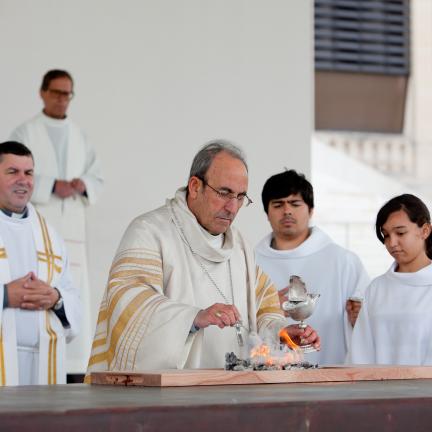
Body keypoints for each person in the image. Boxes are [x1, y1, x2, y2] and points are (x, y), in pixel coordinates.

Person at [85, 141, 319, 379]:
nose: (232, 207)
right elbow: (128, 301)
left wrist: (280, 333)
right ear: (195, 186)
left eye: (240, 197)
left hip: (232, 389)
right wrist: (193, 318)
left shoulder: (240, 247)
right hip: (170, 396)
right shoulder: (150, 232)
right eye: (224, 193)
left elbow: (264, 306)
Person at [10, 69, 103, 374]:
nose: (62, 100)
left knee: (71, 291)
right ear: (42, 93)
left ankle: (74, 363)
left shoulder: (80, 135)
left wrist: (81, 184)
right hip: (37, 224)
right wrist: (52, 185)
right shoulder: (26, 132)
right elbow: (13, 170)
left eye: (68, 94)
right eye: (57, 93)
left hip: (71, 230)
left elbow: (96, 175)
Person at [255, 170, 370, 365]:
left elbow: (366, 324)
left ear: (311, 210)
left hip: (331, 375)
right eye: (278, 204)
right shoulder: (251, 263)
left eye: (295, 203)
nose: (287, 211)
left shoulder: (343, 261)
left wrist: (359, 318)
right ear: (267, 213)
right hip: (269, 378)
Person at [0, 141, 80, 385]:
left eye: (29, 173)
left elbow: (72, 297)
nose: (23, 180)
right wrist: (4, 296)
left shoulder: (50, 236)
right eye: (12, 172)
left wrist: (55, 298)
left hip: (42, 365)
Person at [347, 194, 432, 365]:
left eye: (400, 233)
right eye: (386, 235)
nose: (392, 243)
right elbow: (361, 352)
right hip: (382, 390)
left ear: (425, 230)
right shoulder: (377, 288)